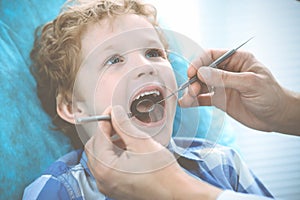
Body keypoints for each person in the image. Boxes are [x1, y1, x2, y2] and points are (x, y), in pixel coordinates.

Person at [22, 0, 273, 199]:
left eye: (153, 53)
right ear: (72, 106)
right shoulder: (57, 191)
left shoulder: (223, 164)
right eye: (114, 60)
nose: (144, 66)